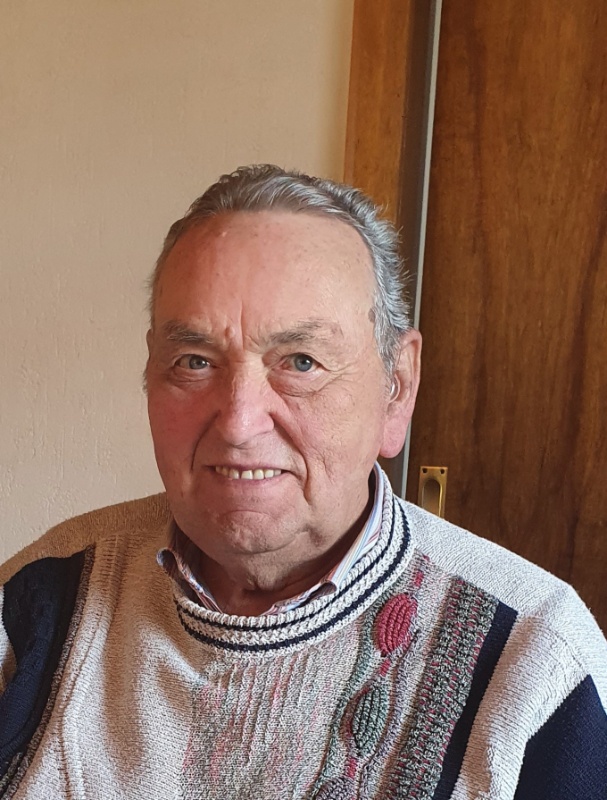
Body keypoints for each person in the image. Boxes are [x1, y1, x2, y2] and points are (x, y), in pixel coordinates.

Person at [0, 165, 605, 800]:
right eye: (195, 362)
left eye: (301, 362)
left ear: (397, 387)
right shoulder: (41, 596)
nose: (238, 423)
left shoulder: (536, 661)